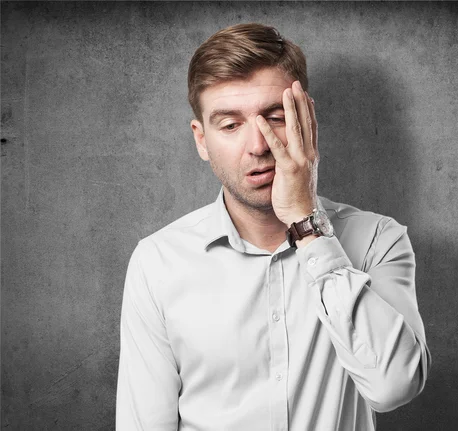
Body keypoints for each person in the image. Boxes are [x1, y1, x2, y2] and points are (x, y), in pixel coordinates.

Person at [116, 23, 430, 431]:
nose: (259, 146)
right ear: (201, 140)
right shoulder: (157, 262)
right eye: (230, 125)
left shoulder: (377, 240)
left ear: (307, 122)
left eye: (276, 117)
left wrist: (306, 224)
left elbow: (395, 386)